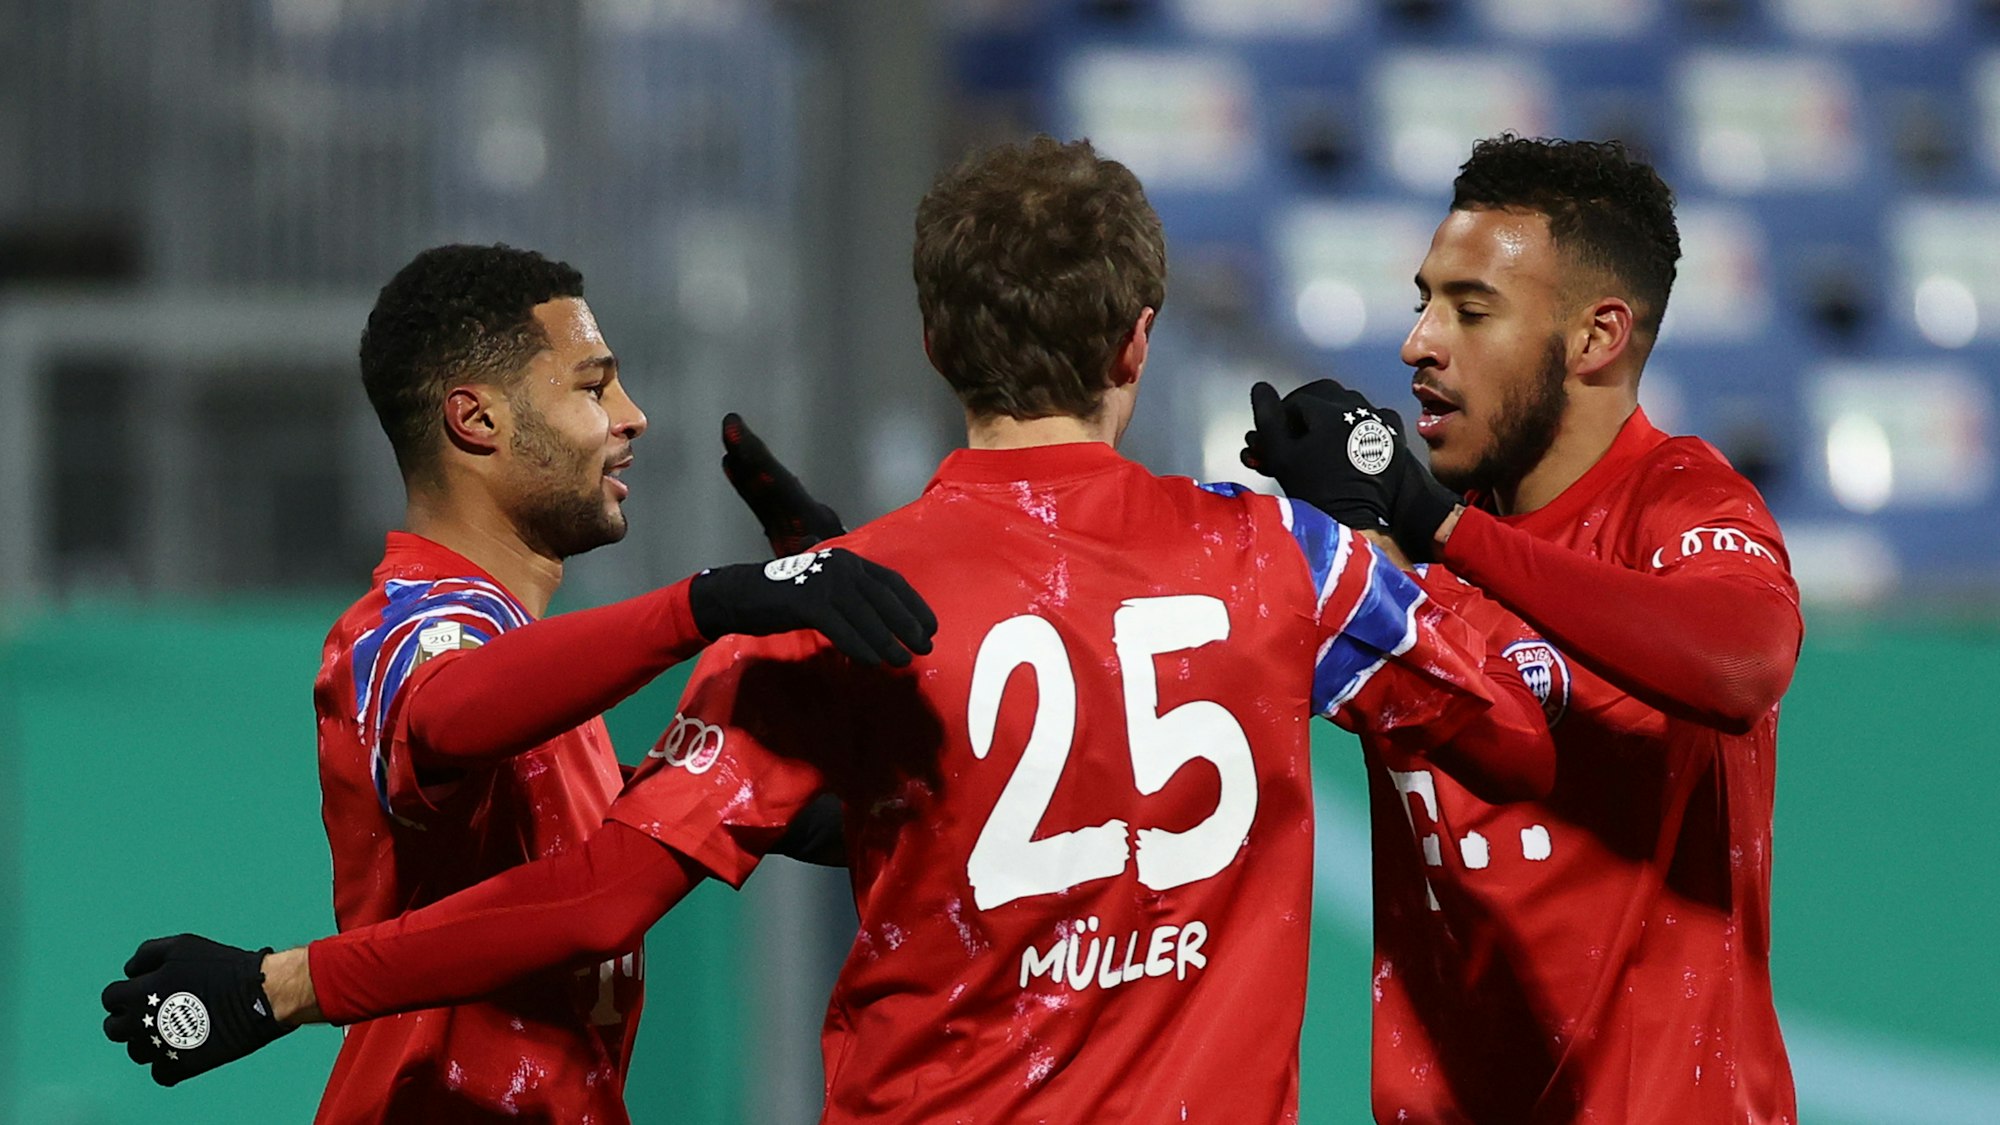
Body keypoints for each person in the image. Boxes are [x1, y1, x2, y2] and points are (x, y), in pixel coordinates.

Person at [102, 140, 1554, 1121]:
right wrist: (1420, 515)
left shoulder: (837, 622)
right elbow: (1514, 721)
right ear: (1139, 338)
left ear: (932, 339)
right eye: (595, 383)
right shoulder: (1288, 558)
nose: (632, 415)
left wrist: (792, 614)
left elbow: (613, 888)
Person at [135, 244, 935, 1124]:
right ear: (476, 420)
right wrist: (711, 603)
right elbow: (453, 710)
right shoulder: (401, 625)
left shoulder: (547, 692)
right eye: (593, 388)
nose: (631, 418)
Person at [1245, 135, 1802, 1122]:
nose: (1418, 343)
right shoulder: (1426, 544)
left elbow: (1744, 661)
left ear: (1594, 339)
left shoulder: (1675, 503)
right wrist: (1345, 532)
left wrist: (1437, 529)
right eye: (1423, 302)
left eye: (1469, 310)